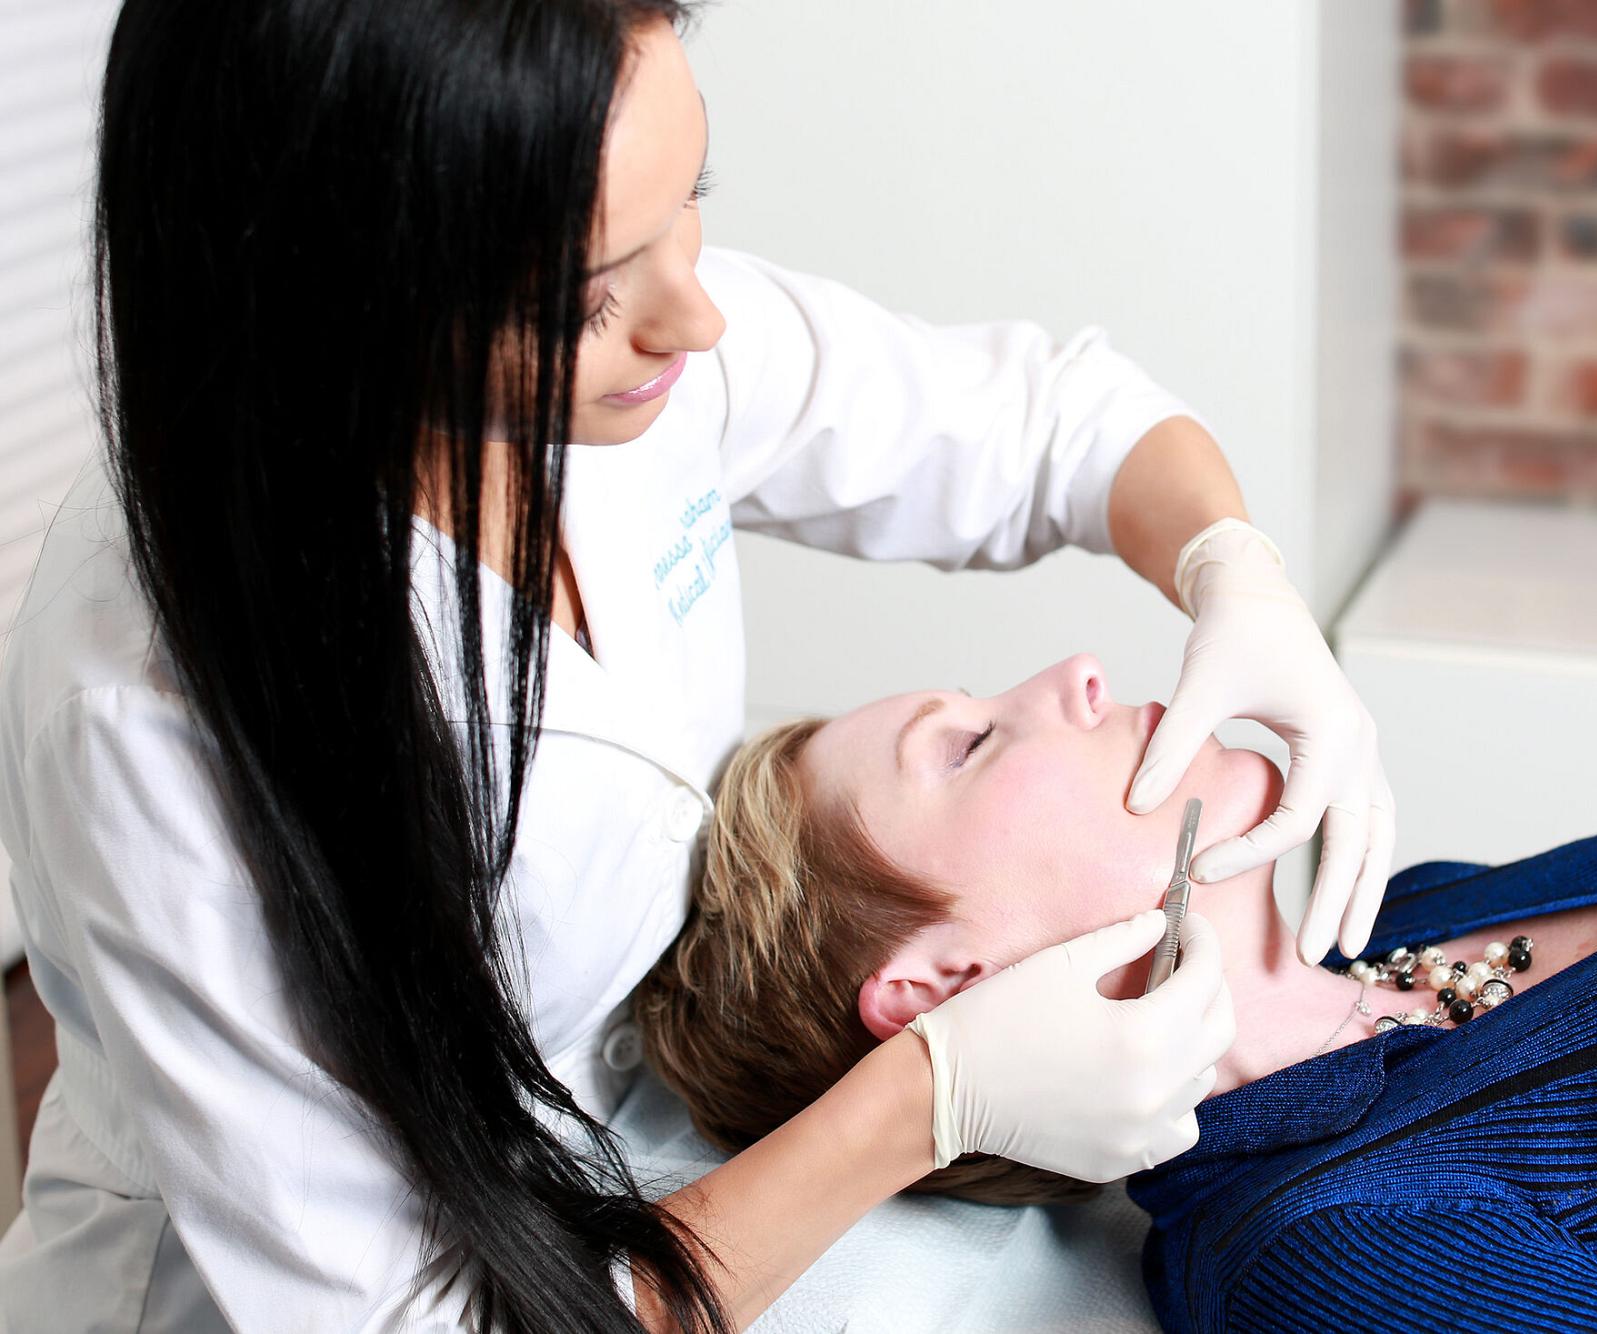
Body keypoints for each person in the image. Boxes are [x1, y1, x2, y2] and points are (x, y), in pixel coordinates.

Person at [0, 3, 1398, 1330]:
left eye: (691, 202)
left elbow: (1048, 429)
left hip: (631, 1163)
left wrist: (1233, 564)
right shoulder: (150, 714)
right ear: (349, 290)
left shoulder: (633, 341)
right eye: (587, 297)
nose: (701, 319)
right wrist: (924, 1099)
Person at [639, 653, 1597, 1331]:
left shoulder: (1420, 912)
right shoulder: (1326, 1247)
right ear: (948, 982)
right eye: (974, 741)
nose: (1074, 673)